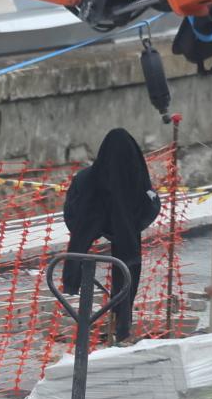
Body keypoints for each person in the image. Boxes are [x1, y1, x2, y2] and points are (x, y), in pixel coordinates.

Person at [60, 128, 160, 345]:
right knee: (127, 269)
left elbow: (71, 211)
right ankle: (121, 326)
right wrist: (128, 227)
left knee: (85, 258)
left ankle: (76, 292)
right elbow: (150, 207)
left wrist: (91, 229)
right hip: (126, 236)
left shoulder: (86, 178)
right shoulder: (136, 180)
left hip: (89, 229)